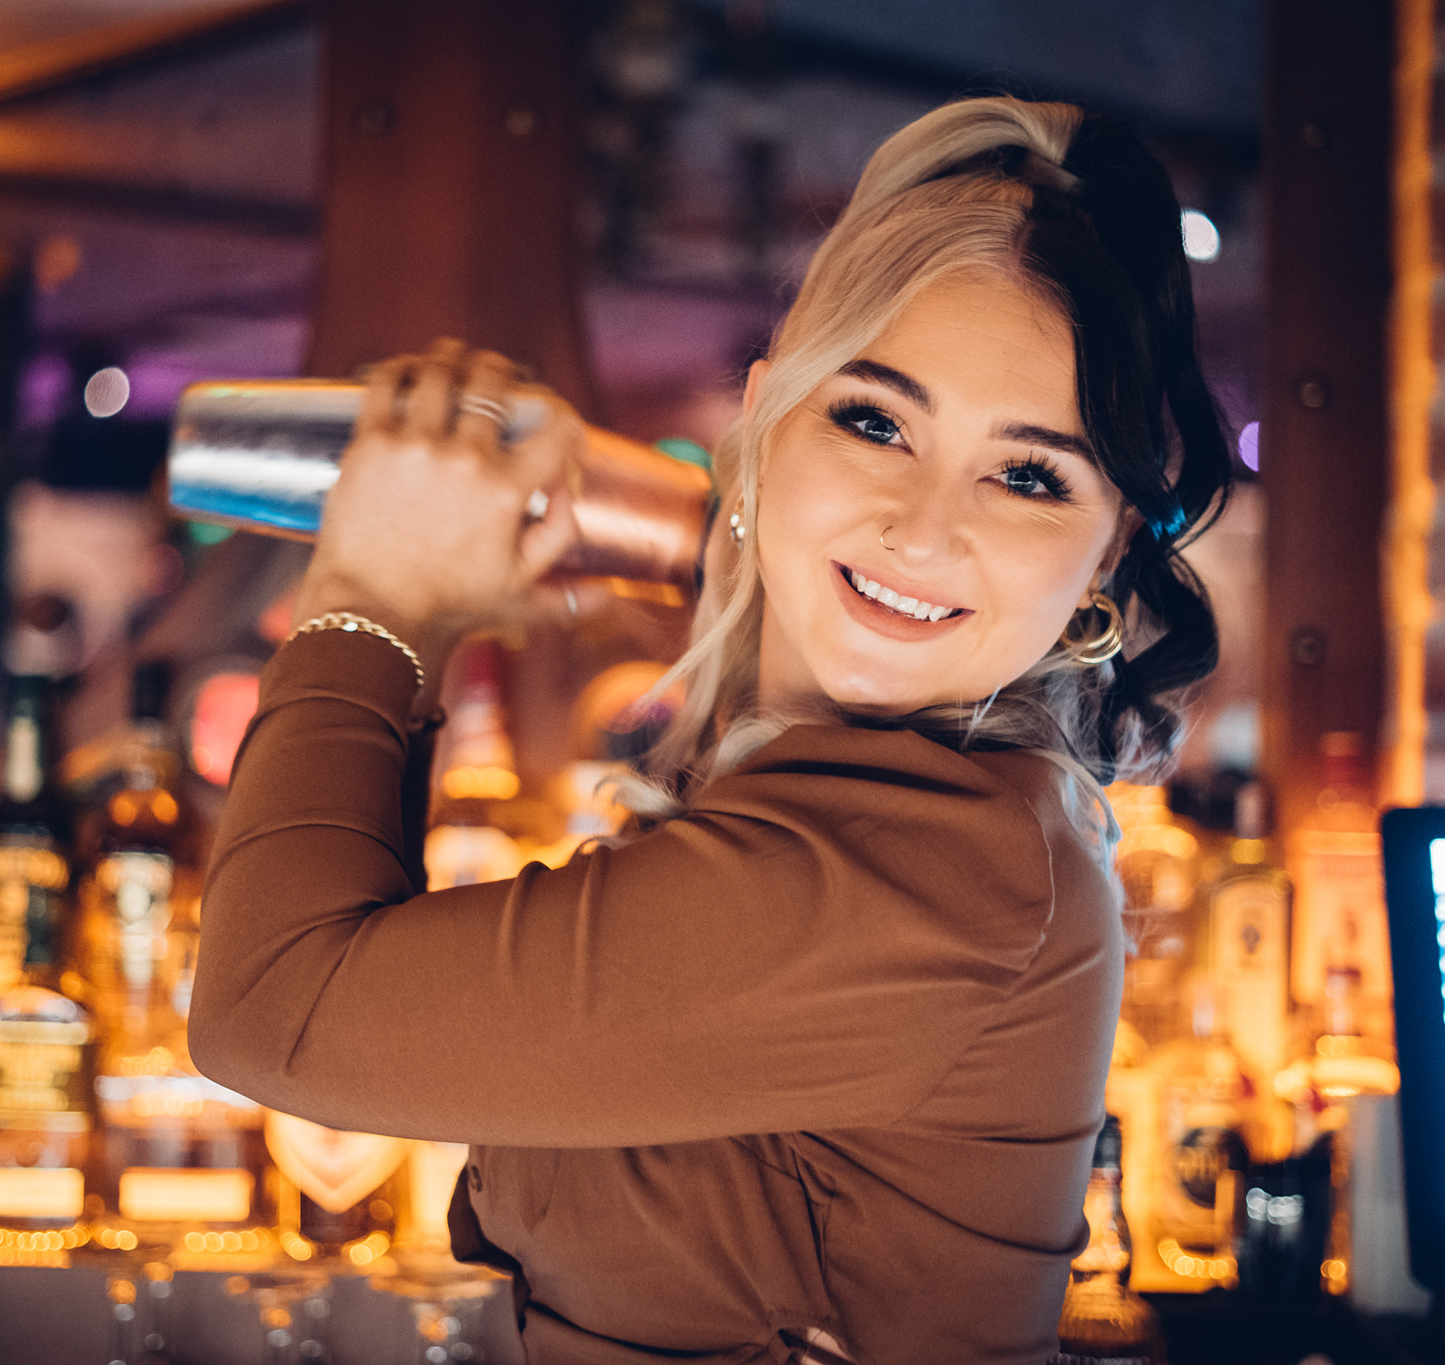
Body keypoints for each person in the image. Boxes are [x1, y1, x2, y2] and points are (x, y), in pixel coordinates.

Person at [191, 96, 1232, 1364]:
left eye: (1026, 477)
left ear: (1106, 551)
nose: (920, 526)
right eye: (872, 420)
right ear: (765, 422)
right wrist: (562, 501)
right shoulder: (877, 789)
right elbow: (782, 551)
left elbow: (267, 1010)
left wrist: (372, 602)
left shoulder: (924, 871)